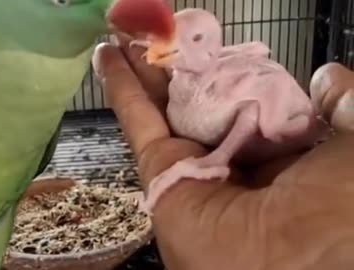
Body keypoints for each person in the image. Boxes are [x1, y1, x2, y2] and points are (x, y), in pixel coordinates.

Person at [91, 37, 354, 270]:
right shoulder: (190, 90)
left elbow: (251, 109)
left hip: (287, 132)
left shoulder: (221, 98)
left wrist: (219, 156)